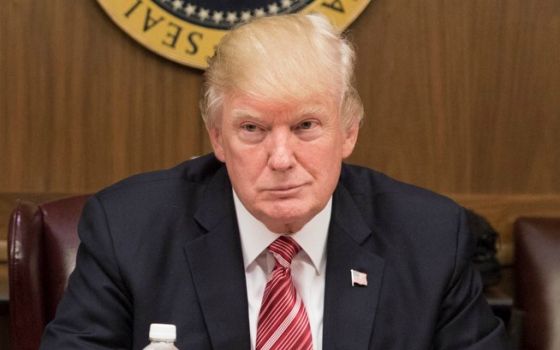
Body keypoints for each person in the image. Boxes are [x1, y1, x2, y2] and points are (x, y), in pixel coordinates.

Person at [40, 13, 508, 350]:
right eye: (252, 129)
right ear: (217, 139)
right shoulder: (130, 229)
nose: (281, 158)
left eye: (306, 126)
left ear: (349, 131)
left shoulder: (427, 236)